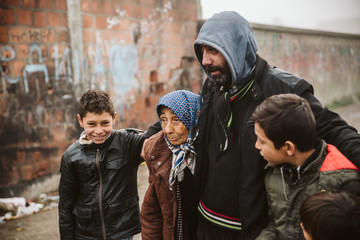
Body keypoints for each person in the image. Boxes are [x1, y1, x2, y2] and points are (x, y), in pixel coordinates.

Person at [193, 11, 360, 239]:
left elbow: (334, 129)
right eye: (202, 51)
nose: (205, 60)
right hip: (206, 225)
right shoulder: (213, 84)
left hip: (251, 231)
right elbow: (189, 114)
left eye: (213, 50)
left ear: (237, 48)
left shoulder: (284, 88)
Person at [250, 93, 360, 239]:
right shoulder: (273, 173)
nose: (256, 145)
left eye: (262, 141)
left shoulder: (343, 179)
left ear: (288, 148)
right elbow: (276, 223)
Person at [58, 89, 148, 240]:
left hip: (121, 233)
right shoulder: (71, 156)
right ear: (80, 121)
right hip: (86, 234)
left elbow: (153, 138)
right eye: (91, 124)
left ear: (114, 118)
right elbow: (66, 206)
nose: (98, 131)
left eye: (105, 123)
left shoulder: (126, 143)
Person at [141, 90, 201, 240]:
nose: (167, 129)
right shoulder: (159, 152)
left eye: (176, 120)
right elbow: (151, 212)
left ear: (192, 118)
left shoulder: (210, 151)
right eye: (163, 120)